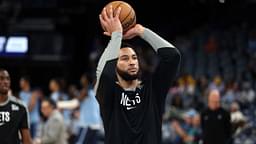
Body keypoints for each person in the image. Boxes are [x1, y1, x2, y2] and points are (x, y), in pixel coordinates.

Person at [95, 6, 181, 144]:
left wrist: (141, 32)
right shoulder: (109, 93)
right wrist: (116, 36)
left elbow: (173, 57)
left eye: (134, 58)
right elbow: (105, 73)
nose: (132, 62)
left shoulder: (152, 90)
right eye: (124, 59)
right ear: (114, 65)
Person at [0, 68, 32, 144]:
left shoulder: (21, 107)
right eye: (1, 78)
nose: (5, 82)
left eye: (8, 79)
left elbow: (27, 141)